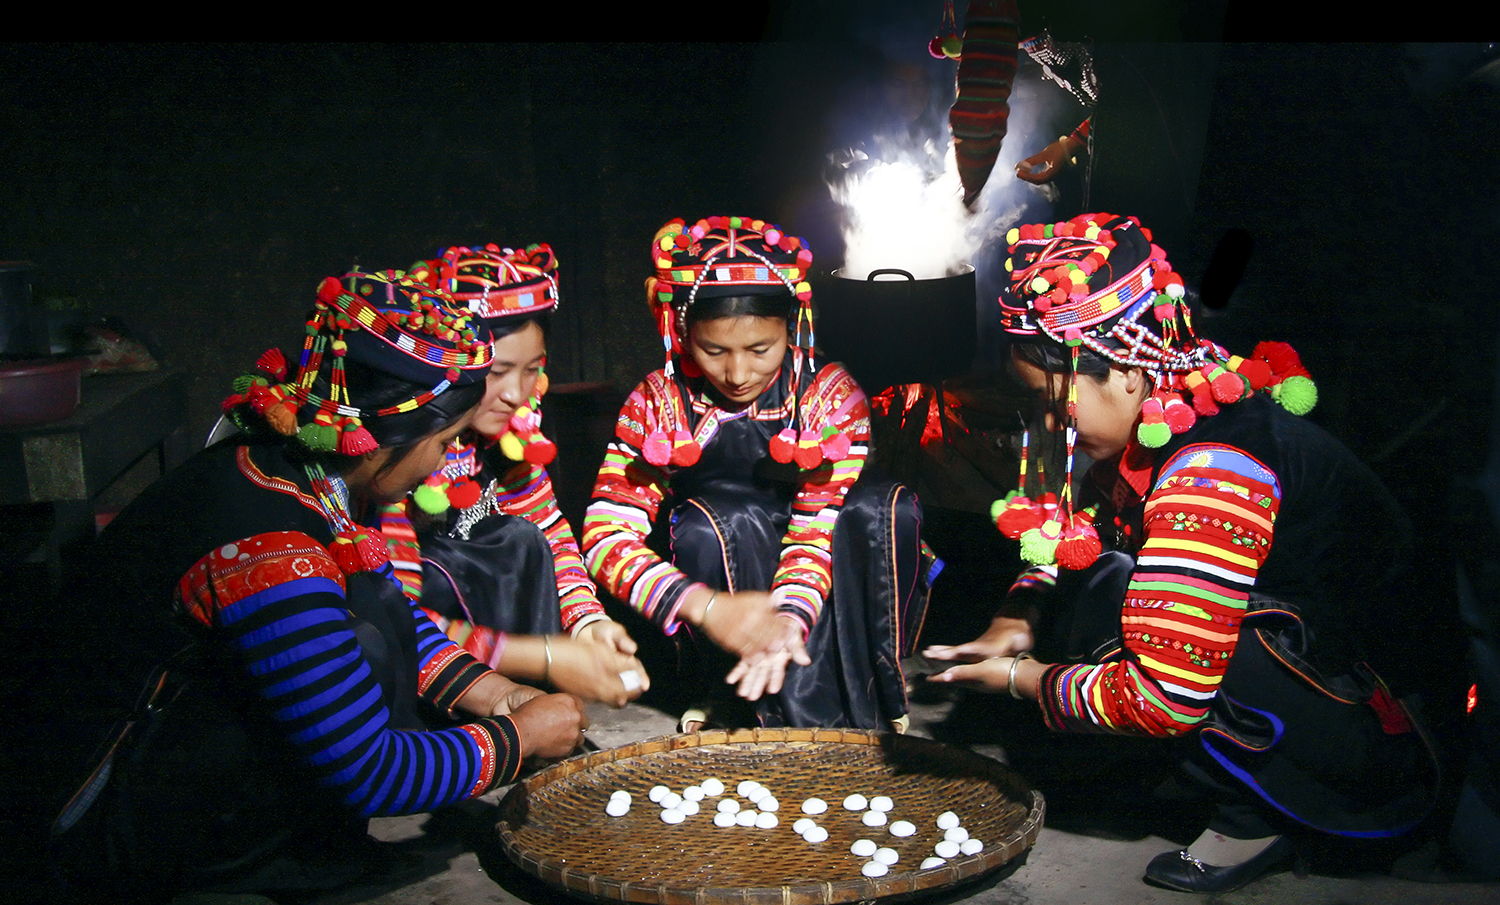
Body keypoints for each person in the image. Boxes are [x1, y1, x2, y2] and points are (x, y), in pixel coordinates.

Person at [923, 213, 1444, 893]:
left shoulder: (1212, 473)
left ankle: (1256, 814)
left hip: (1378, 730)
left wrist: (1021, 676)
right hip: (1316, 657)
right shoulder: (1174, 394)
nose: (1047, 424)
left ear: (1131, 375)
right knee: (1105, 579)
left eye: (1053, 402)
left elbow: (1166, 696)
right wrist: (1018, 612)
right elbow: (1075, 522)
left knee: (1129, 606)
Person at [47, 270, 588, 903]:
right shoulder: (269, 545)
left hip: (161, 763)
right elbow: (370, 771)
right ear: (386, 436)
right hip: (109, 806)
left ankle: (306, 852)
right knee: (355, 654)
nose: (444, 460)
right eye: (443, 441)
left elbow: (396, 612)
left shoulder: (309, 474)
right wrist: (517, 740)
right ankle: (246, 871)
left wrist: (492, 691)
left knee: (372, 622)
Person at [583, 215, 931, 731]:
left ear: (791, 328)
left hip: (819, 543)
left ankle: (875, 684)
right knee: (716, 521)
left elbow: (814, 532)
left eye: (760, 350)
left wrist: (788, 620)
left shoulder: (831, 397)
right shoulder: (656, 401)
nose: (738, 374)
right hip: (723, 549)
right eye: (714, 350)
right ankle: (722, 688)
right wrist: (703, 605)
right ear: (680, 329)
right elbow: (604, 535)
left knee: (883, 507)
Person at [384, 243, 648, 707]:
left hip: (505, 655)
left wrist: (588, 623)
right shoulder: (396, 456)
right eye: (498, 371)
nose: (515, 394)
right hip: (425, 670)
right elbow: (398, 617)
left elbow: (549, 530)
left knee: (522, 539)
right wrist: (541, 657)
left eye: (531, 370)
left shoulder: (512, 435)